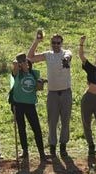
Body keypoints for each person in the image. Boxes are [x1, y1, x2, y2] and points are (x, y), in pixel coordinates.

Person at [27, 28, 73, 159]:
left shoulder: (66, 52)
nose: (56, 45)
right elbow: (30, 58)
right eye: (54, 42)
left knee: (65, 121)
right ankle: (52, 147)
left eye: (58, 42)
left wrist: (65, 59)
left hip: (65, 92)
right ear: (51, 43)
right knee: (52, 122)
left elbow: (68, 55)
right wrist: (36, 41)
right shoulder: (48, 54)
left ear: (62, 43)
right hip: (52, 93)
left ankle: (63, 146)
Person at [9, 52, 47, 165]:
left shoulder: (34, 74)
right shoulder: (17, 74)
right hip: (18, 104)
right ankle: (25, 151)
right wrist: (19, 61)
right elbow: (14, 65)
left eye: (27, 62)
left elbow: (38, 89)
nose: (26, 64)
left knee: (36, 128)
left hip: (30, 104)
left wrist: (40, 83)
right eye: (24, 62)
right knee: (21, 128)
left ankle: (42, 153)